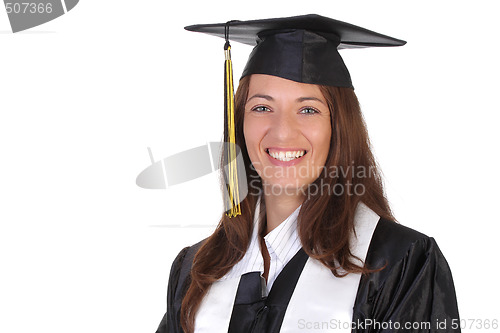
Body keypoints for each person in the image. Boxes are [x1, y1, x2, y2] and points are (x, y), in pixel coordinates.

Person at [155, 14, 460, 333]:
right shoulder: (198, 269)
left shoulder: (400, 264)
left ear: (338, 126)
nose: (283, 132)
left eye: (308, 110)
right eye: (262, 107)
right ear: (239, 123)